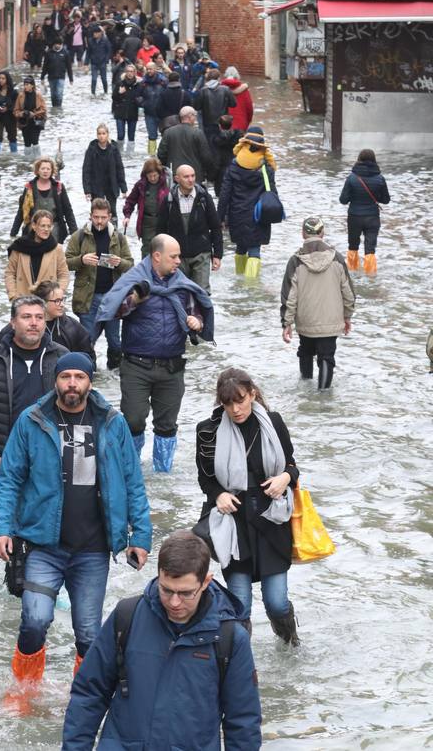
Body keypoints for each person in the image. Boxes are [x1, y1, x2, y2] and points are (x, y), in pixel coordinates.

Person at [0, 351, 152, 689]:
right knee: (34, 620)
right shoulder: (33, 420)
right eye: (66, 377)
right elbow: (9, 478)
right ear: (56, 381)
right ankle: (24, 691)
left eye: (79, 378)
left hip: (93, 549)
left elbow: (132, 481)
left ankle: (84, 699)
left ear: (90, 382)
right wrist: (2, 529)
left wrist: (140, 536)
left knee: (89, 634)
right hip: (42, 545)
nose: (72, 384)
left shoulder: (111, 422)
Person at [62, 529, 261, 750]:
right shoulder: (126, 616)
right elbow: (89, 693)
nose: (174, 602)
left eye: (185, 593)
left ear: (205, 582)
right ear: (158, 574)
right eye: (166, 590)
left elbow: (243, 723)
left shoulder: (231, 639)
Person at [196, 368, 300, 644]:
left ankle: (290, 645)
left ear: (252, 394)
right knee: (239, 605)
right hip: (233, 522)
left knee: (276, 602)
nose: (235, 409)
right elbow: (205, 479)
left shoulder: (273, 422)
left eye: (240, 400)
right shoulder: (208, 431)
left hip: (271, 520)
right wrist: (218, 495)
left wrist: (285, 478)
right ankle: (240, 666)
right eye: (228, 403)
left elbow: (292, 465)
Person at [96, 234, 213, 471]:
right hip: (137, 365)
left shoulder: (182, 284)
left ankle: (163, 475)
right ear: (156, 257)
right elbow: (115, 310)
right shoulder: (134, 281)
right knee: (134, 420)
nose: (179, 261)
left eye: (179, 256)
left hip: (172, 367)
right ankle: (132, 469)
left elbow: (197, 311)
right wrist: (136, 299)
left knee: (167, 425)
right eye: (174, 256)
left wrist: (197, 322)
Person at [0, 295, 67, 477]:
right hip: (8, 455)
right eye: (26, 317)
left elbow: (79, 404)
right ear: (13, 322)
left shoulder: (61, 357)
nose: (34, 323)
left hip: (53, 454)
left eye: (39, 317)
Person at [280, 216, 356, 390]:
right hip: (331, 320)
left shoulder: (295, 261)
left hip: (306, 320)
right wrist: (347, 316)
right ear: (323, 233)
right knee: (327, 357)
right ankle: (323, 400)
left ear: (302, 234)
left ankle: (305, 393)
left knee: (305, 352)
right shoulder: (336, 258)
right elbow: (348, 292)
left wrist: (287, 323)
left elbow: (289, 296)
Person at [66, 198, 133, 370]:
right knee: (87, 341)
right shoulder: (79, 236)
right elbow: (65, 263)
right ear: (91, 216)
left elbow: (130, 264)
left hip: (113, 297)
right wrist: (82, 259)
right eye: (96, 217)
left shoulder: (118, 238)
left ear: (110, 216)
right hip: (88, 297)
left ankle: (114, 376)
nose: (99, 221)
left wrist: (119, 262)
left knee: (115, 342)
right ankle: (90, 374)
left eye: (103, 217)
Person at [217, 140, 279, 278]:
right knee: (254, 250)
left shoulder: (233, 167)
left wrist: (219, 218)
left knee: (240, 248)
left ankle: (239, 279)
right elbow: (273, 193)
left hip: (237, 214)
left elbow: (224, 194)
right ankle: (251, 287)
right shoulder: (267, 169)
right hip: (259, 216)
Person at [157, 165, 222, 293]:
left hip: (201, 253)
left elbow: (215, 226)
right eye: (186, 177)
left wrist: (218, 255)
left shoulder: (204, 198)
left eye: (193, 176)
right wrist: (160, 257)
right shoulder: (168, 200)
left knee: (202, 293)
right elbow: (161, 230)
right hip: (176, 257)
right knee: (179, 292)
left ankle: (202, 314)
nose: (191, 179)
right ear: (177, 179)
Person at [339, 148, 390, 275]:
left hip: (354, 217)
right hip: (372, 218)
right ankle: (371, 277)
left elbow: (343, 200)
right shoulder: (380, 178)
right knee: (370, 249)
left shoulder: (351, 178)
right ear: (374, 160)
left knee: (353, 246)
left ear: (359, 160)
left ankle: (351, 273)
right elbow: (386, 200)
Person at [5, 210, 69, 301]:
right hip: (22, 300)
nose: (46, 229)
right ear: (34, 226)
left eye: (49, 226)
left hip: (47, 301)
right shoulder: (19, 246)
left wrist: (57, 295)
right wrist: (13, 295)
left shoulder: (57, 249)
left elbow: (64, 275)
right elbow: (10, 273)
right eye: (43, 226)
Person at [10, 157, 77, 242]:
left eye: (48, 169)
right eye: (43, 168)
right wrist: (13, 232)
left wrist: (74, 232)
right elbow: (22, 211)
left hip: (54, 228)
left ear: (52, 171)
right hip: (34, 229)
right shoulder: (29, 187)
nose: (45, 171)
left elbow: (68, 211)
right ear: (37, 170)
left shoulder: (58, 187)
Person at [35, 280, 95, 360]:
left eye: (62, 300)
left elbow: (89, 357)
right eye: (57, 301)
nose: (62, 305)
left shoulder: (73, 327)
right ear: (43, 303)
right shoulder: (31, 327)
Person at [123, 158, 170, 257]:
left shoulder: (167, 183)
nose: (152, 178)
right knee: (147, 249)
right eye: (150, 176)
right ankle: (146, 271)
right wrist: (127, 216)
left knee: (163, 248)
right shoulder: (141, 185)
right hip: (147, 223)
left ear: (159, 173)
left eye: (155, 175)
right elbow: (130, 201)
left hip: (163, 221)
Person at [82, 124, 127, 220]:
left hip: (111, 185)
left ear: (108, 134)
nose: (101, 136)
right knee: (96, 211)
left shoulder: (114, 149)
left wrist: (123, 188)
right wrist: (87, 190)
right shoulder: (91, 149)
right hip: (96, 185)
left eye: (103, 133)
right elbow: (86, 170)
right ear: (97, 135)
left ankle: (113, 231)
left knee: (112, 212)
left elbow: (119, 168)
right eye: (99, 134)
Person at [158, 106, 213, 185]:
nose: (195, 118)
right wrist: (208, 172)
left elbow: (161, 154)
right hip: (194, 175)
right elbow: (206, 156)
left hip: (175, 174)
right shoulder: (198, 133)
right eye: (194, 116)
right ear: (190, 116)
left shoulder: (168, 132)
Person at [193, 69, 236, 151]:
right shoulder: (226, 89)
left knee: (210, 146)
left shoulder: (203, 90)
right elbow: (233, 104)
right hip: (224, 124)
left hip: (208, 124)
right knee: (224, 146)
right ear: (218, 78)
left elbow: (196, 107)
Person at [137, 61, 167, 156]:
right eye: (147, 69)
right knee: (152, 136)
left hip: (162, 113)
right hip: (149, 113)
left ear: (155, 69)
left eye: (151, 69)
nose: (149, 71)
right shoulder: (143, 83)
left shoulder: (163, 81)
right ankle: (152, 156)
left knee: (165, 136)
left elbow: (169, 94)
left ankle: (164, 155)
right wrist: (144, 104)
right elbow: (137, 96)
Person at [14, 76, 47, 158]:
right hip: (24, 122)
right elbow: (15, 110)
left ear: (32, 85)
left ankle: (38, 159)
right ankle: (27, 161)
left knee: (35, 140)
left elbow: (44, 109)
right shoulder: (20, 96)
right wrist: (21, 113)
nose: (26, 86)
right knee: (27, 142)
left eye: (28, 84)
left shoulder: (38, 95)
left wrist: (34, 114)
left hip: (36, 121)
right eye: (25, 84)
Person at [111, 63, 141, 153]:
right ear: (125, 72)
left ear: (135, 73)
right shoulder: (120, 83)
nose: (130, 73)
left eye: (131, 72)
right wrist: (119, 93)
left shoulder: (138, 84)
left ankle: (130, 154)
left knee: (131, 136)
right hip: (120, 112)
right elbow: (113, 97)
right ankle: (119, 153)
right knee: (120, 135)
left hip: (133, 112)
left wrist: (139, 101)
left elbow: (142, 97)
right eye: (128, 71)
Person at [0, 70, 18, 154]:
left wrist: (7, 109)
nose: (0, 80)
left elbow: (17, 106)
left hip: (10, 118)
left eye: (3, 78)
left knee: (12, 137)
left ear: (7, 80)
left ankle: (14, 154)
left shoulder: (13, 92)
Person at [40, 35, 73, 109]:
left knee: (59, 93)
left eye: (59, 44)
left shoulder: (65, 53)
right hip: (51, 77)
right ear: (54, 44)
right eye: (56, 44)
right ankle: (54, 107)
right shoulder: (49, 53)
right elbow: (45, 66)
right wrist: (42, 77)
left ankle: (58, 107)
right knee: (53, 94)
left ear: (61, 44)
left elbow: (69, 67)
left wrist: (71, 79)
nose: (58, 45)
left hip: (61, 77)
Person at [212, 115, 240, 197]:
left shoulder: (215, 140)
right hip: (236, 170)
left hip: (221, 174)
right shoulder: (239, 137)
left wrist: (211, 175)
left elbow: (215, 159)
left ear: (220, 126)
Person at [221, 67, 254, 135]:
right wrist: (248, 121)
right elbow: (249, 108)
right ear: (237, 76)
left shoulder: (219, 89)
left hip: (223, 125)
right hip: (241, 125)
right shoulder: (244, 90)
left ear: (225, 76)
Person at [85, 25, 111, 96]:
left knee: (104, 79)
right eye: (93, 33)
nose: (94, 34)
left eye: (96, 33)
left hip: (102, 62)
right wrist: (86, 64)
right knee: (94, 79)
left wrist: (106, 60)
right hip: (94, 63)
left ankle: (106, 92)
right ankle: (93, 93)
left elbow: (108, 51)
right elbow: (88, 52)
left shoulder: (105, 40)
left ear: (100, 33)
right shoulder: (90, 40)